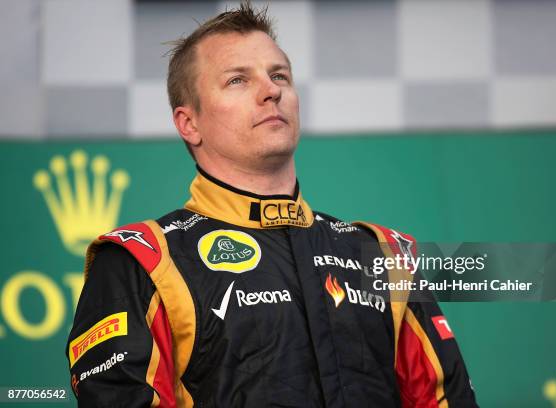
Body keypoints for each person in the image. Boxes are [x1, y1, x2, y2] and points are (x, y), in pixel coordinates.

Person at [66, 2, 479, 407]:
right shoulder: (143, 262)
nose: (271, 91)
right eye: (237, 81)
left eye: (279, 75)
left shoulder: (382, 255)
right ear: (188, 123)